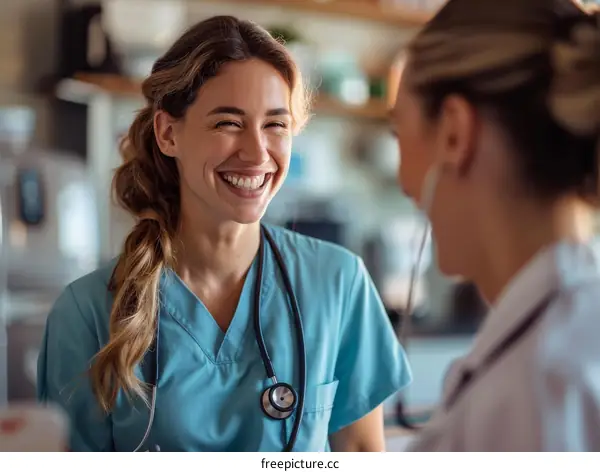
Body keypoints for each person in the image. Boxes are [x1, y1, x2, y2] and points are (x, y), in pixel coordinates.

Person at [36, 16, 411, 452]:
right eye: (227, 123)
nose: (256, 154)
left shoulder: (338, 283)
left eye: (275, 125)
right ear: (168, 133)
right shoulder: (87, 312)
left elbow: (361, 454)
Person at [390, 0, 600, 451]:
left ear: (453, 133)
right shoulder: (560, 338)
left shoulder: (542, 384)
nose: (403, 181)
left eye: (398, 133)